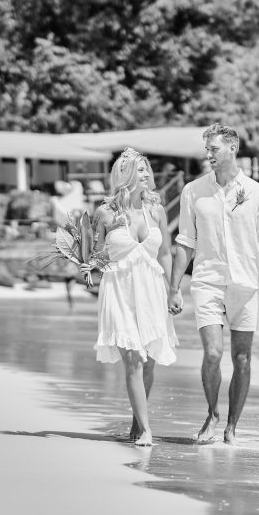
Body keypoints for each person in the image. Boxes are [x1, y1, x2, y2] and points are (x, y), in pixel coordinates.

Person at [168, 124, 259, 445]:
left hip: (246, 284)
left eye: (214, 149)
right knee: (213, 353)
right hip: (207, 282)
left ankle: (232, 426)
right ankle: (212, 414)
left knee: (242, 358)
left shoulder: (256, 192)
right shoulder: (193, 191)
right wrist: (174, 287)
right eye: (207, 150)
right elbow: (185, 242)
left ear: (233, 148)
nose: (209, 155)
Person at [82, 147, 178, 447]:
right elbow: (97, 255)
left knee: (148, 362)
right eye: (140, 169)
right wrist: (86, 263)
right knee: (134, 358)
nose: (146, 174)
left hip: (152, 290)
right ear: (125, 175)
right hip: (119, 290)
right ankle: (147, 429)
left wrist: (174, 290)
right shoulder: (105, 213)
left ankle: (137, 422)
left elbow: (165, 254)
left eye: (147, 169)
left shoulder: (156, 211)